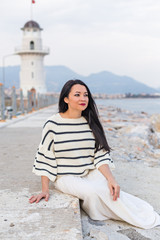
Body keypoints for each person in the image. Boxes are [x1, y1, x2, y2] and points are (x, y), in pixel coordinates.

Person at [29, 79, 160, 229]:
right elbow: (45, 157)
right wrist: (45, 189)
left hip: (90, 170)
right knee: (92, 192)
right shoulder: (52, 124)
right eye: (77, 94)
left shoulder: (90, 122)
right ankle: (131, 217)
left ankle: (143, 214)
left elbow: (100, 154)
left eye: (85, 95)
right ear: (66, 99)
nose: (83, 98)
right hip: (65, 176)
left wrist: (111, 179)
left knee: (109, 189)